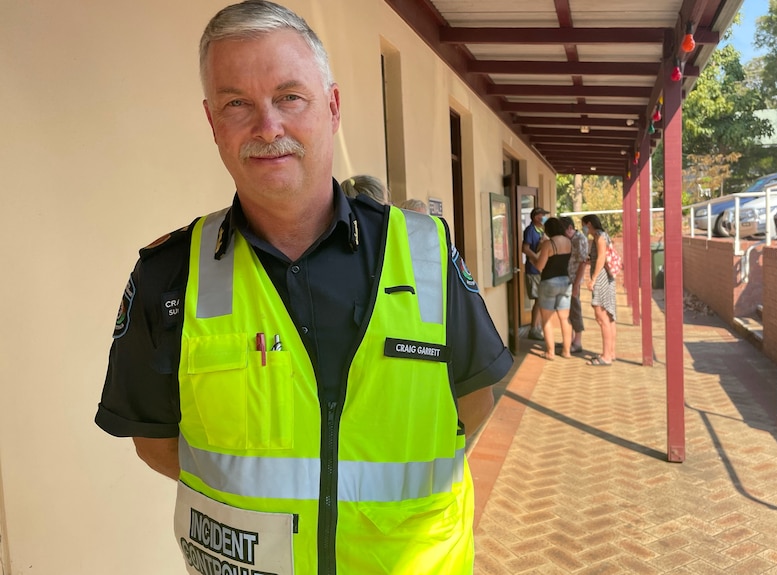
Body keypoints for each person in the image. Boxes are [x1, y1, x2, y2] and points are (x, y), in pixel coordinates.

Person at [94, 2, 513, 574]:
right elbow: (156, 443)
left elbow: (474, 399)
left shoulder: (425, 252)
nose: (268, 127)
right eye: (237, 103)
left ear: (333, 106)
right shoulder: (168, 275)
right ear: (212, 122)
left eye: (290, 96)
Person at [533, 217, 573, 360]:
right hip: (566, 281)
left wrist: (532, 256)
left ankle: (550, 352)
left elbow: (540, 266)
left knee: (547, 319)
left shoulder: (548, 244)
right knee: (565, 318)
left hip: (549, 282)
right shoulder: (568, 241)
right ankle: (566, 351)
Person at [582, 213, 617, 366]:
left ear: (589, 224)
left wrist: (593, 279)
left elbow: (602, 257)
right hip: (606, 279)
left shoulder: (599, 236)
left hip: (602, 280)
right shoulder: (602, 235)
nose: (583, 228)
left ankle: (606, 357)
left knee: (601, 317)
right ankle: (610, 352)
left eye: (584, 224)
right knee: (608, 317)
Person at [560, 216, 589, 353]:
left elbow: (583, 262)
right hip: (568, 279)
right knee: (568, 310)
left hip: (573, 281)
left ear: (570, 228)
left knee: (575, 310)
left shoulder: (579, 239)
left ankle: (577, 342)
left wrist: (576, 285)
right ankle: (569, 339)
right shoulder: (571, 239)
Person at [522, 206, 549, 340]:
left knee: (541, 299)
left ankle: (536, 326)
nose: (544, 217)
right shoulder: (530, 230)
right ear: (535, 217)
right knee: (538, 299)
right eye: (541, 215)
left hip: (541, 269)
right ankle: (534, 328)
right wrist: (536, 258)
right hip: (534, 270)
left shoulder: (542, 230)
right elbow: (525, 248)